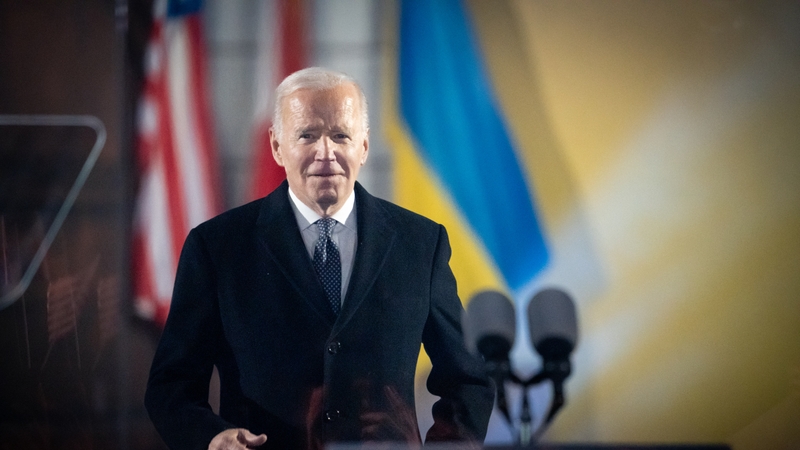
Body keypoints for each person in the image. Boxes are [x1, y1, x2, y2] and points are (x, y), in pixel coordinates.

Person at [144, 67, 494, 450]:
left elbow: (468, 380)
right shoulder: (216, 247)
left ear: (363, 146)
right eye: (307, 135)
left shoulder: (421, 243)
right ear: (277, 147)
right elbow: (171, 387)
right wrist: (211, 437)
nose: (325, 153)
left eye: (340, 135)